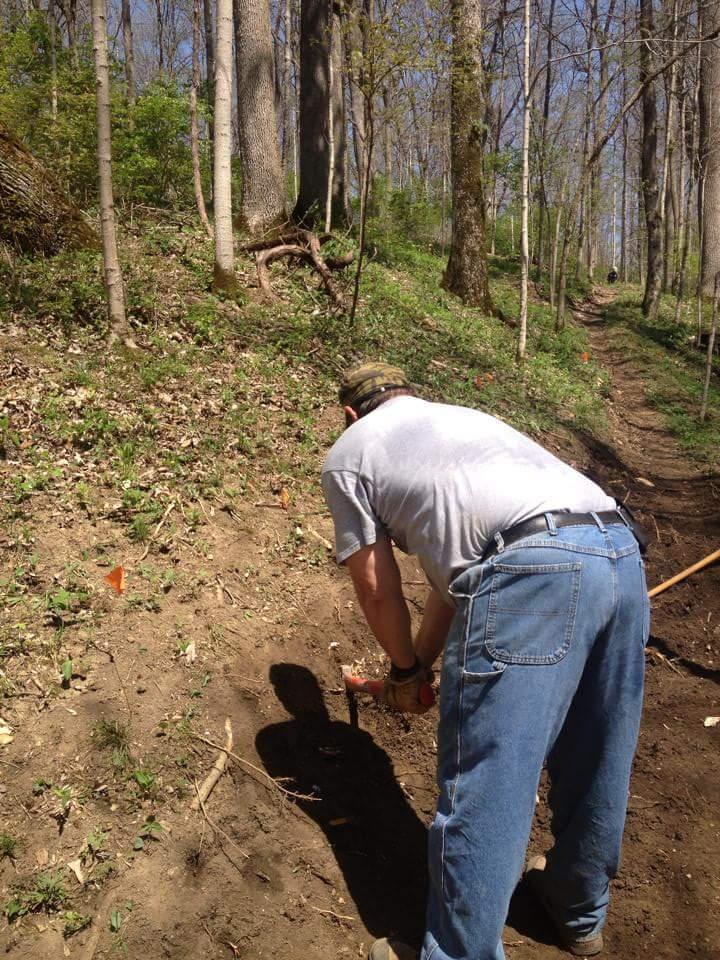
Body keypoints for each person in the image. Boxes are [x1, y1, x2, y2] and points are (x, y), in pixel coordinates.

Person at [321, 363, 649, 960]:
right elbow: (456, 582)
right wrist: (419, 665)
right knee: (600, 748)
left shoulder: (350, 454)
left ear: (350, 414)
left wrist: (400, 672)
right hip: (619, 553)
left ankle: (457, 953)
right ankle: (577, 910)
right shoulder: (463, 426)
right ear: (409, 396)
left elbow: (375, 588)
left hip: (533, 572)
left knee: (490, 775)